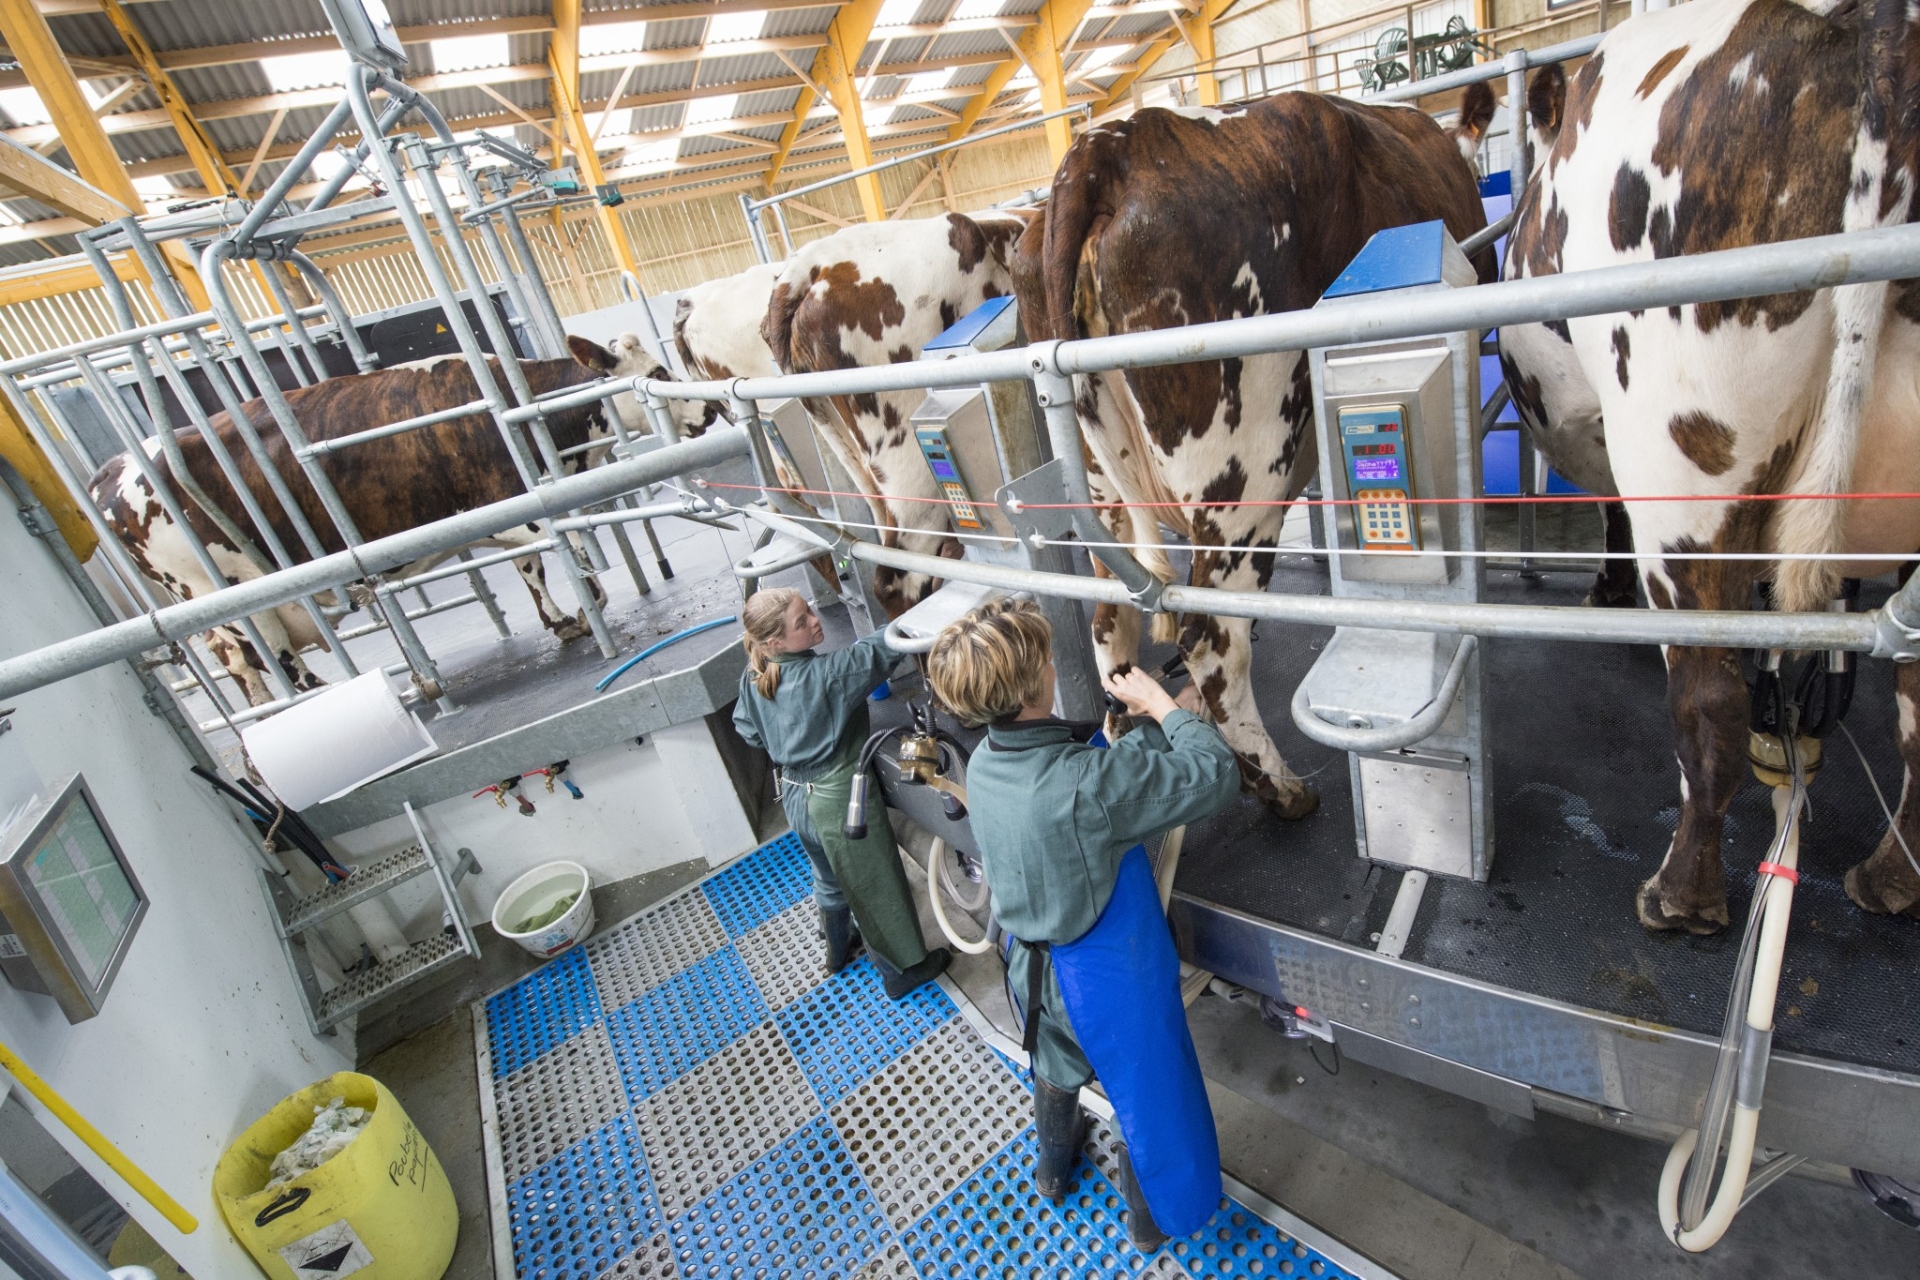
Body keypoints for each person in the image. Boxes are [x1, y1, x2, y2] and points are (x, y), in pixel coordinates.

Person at [926, 598, 1240, 1251]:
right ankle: (1152, 1226)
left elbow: (1077, 777)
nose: (1051, 662)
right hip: (1108, 982)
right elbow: (1212, 775)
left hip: (1030, 967)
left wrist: (1128, 733)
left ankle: (1051, 1169)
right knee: (1148, 1102)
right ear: (1035, 682)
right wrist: (1165, 706)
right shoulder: (1086, 785)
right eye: (1043, 657)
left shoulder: (984, 760)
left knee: (1054, 1061)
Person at [732, 586, 950, 998]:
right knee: (874, 882)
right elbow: (883, 647)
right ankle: (905, 969)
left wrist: (790, 738)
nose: (816, 620)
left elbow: (746, 728)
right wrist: (936, 597)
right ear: (775, 641)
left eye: (810, 610)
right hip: (836, 797)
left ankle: (837, 948)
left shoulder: (756, 673)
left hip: (796, 794)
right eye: (802, 621)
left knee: (829, 877)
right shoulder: (827, 675)